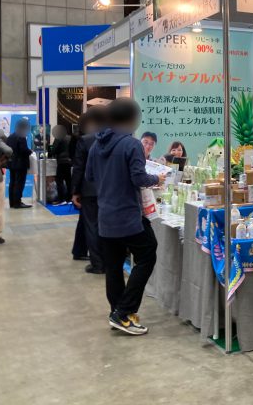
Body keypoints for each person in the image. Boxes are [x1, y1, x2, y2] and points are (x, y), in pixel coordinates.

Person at [86, 98, 165, 335]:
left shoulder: (96, 144)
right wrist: (157, 178)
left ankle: (117, 313)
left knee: (113, 266)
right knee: (147, 254)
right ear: (130, 119)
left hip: (105, 215)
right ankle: (124, 311)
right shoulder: (131, 144)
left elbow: (90, 177)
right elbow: (139, 178)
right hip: (128, 216)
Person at [71, 108, 108, 274]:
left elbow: (78, 168)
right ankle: (106, 261)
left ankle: (97, 264)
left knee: (92, 226)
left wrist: (75, 191)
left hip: (90, 190)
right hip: (110, 189)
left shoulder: (85, 140)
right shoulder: (117, 138)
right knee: (105, 226)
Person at [6, 118, 32, 209]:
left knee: (12, 182)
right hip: (20, 164)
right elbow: (23, 150)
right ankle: (17, 202)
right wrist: (30, 151)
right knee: (19, 183)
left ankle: (12, 202)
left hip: (12, 163)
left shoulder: (10, 136)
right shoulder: (21, 136)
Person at [50, 125, 72, 204]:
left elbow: (54, 150)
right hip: (69, 161)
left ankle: (61, 199)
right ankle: (69, 198)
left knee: (59, 181)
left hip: (61, 162)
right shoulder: (70, 138)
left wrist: (52, 152)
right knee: (69, 181)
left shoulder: (58, 138)